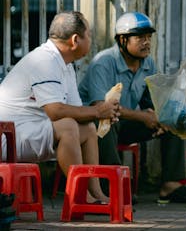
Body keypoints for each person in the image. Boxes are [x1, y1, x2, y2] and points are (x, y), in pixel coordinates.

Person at [0, 11, 120, 203]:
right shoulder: (44, 61)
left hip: (27, 132)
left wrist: (103, 114)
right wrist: (97, 111)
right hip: (7, 138)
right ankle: (80, 195)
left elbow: (76, 111)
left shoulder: (65, 64)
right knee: (68, 126)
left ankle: (96, 192)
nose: (91, 40)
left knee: (88, 128)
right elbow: (55, 111)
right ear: (75, 40)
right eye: (89, 35)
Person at [78, 11, 186, 204]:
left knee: (171, 118)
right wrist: (144, 117)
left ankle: (171, 184)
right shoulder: (103, 62)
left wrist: (163, 115)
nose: (146, 42)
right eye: (140, 38)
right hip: (93, 127)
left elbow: (155, 101)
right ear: (123, 40)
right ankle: (112, 185)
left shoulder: (148, 63)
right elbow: (101, 108)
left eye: (149, 37)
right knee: (106, 122)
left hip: (125, 123)